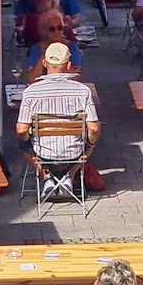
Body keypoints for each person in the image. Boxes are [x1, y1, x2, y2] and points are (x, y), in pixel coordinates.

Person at [17, 41, 100, 198]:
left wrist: (29, 139)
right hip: (74, 152)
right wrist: (89, 144)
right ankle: (69, 176)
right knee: (92, 138)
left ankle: (46, 177)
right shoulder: (82, 91)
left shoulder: (31, 92)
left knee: (22, 142)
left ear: (44, 63)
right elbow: (94, 128)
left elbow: (21, 130)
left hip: (43, 152)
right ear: (68, 65)